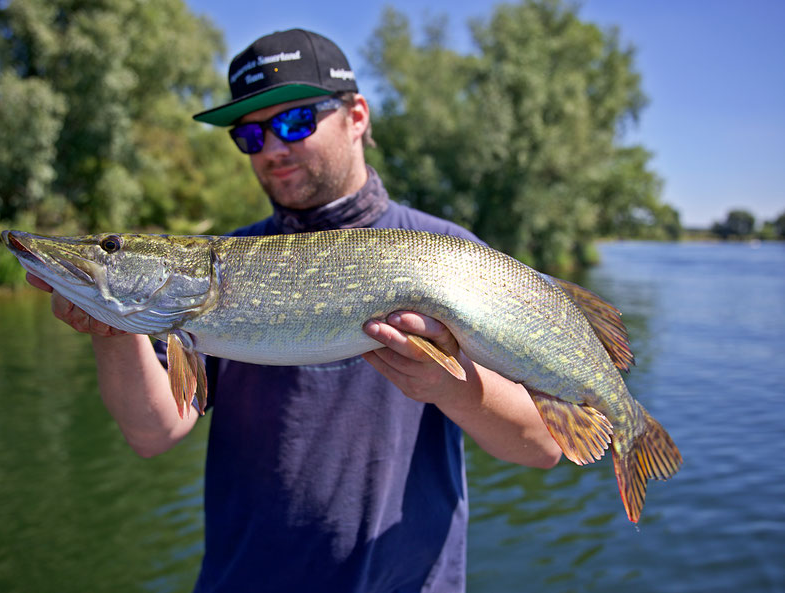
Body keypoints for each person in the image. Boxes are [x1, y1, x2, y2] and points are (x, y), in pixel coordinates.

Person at [27, 28, 561, 593]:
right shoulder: (211, 273)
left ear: (357, 116)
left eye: (295, 122)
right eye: (250, 135)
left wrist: (450, 385)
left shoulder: (451, 254)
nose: (273, 148)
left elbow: (545, 446)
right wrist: (113, 328)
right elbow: (153, 431)